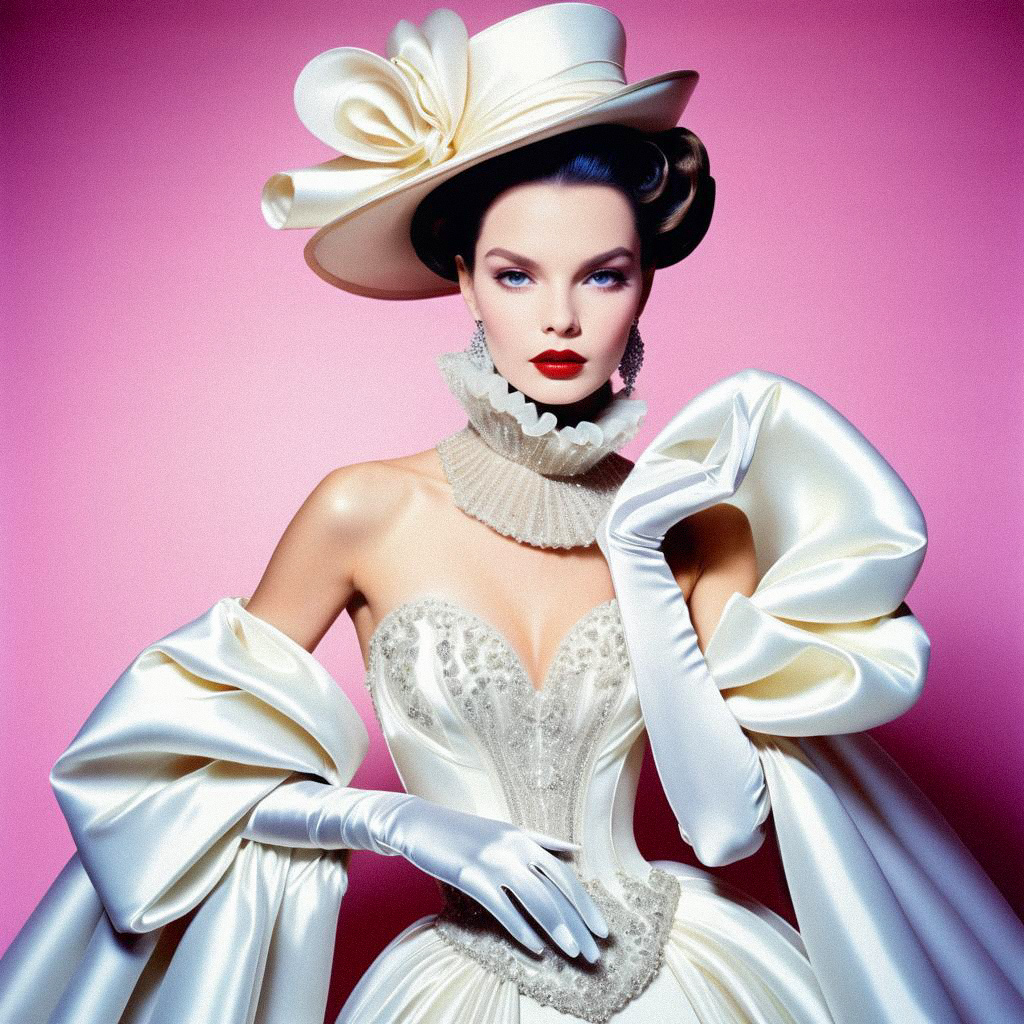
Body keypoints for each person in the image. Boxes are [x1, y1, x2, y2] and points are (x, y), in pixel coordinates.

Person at [1, 5, 1022, 1023]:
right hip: (452, 991)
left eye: (604, 274)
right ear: (462, 280)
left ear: (645, 283)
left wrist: (632, 548)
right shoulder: (366, 509)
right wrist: (405, 827)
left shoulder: (697, 524)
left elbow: (722, 828)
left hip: (693, 980)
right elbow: (171, 785)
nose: (561, 318)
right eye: (515, 273)